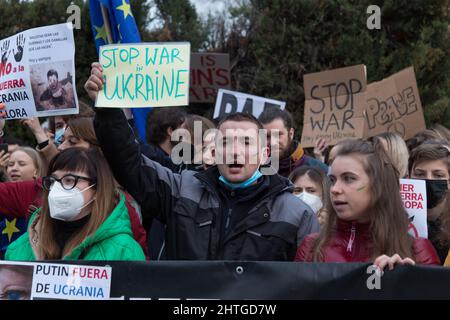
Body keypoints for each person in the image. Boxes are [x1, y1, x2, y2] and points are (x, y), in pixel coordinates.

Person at [86, 61, 319, 261]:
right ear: (215, 150)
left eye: (247, 143)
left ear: (265, 153)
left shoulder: (297, 214)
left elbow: (309, 283)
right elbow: (130, 162)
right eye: (226, 142)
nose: (235, 152)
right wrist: (107, 109)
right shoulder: (180, 190)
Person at [295, 139, 440, 271]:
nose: (334, 189)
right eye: (332, 180)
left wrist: (406, 283)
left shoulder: (418, 251)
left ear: (378, 186)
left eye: (349, 179)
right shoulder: (311, 247)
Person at [5, 148, 146, 261]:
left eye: (69, 180)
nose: (56, 188)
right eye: (53, 180)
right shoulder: (20, 247)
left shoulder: (124, 251)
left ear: (97, 189)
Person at [409, 141, 450, 263]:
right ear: (409, 176)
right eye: (420, 174)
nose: (428, 180)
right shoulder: (396, 218)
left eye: (438, 175)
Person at [259, 107, 327, 177]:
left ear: (291, 134)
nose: (272, 142)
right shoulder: (254, 171)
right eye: (266, 136)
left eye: (278, 134)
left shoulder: (318, 170)